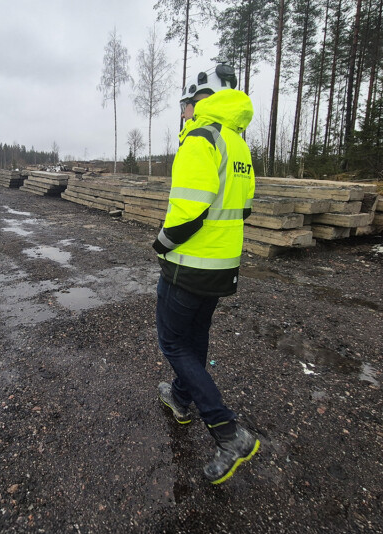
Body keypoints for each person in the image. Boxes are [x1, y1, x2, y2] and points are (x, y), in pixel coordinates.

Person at [152, 63, 259, 485]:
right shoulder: (237, 143)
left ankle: (228, 433)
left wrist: (160, 243)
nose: (184, 111)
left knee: (173, 343)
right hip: (222, 264)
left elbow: (188, 215)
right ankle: (180, 399)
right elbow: (244, 208)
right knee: (195, 338)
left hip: (188, 264)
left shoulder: (201, 140)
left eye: (188, 102)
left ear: (203, 101)